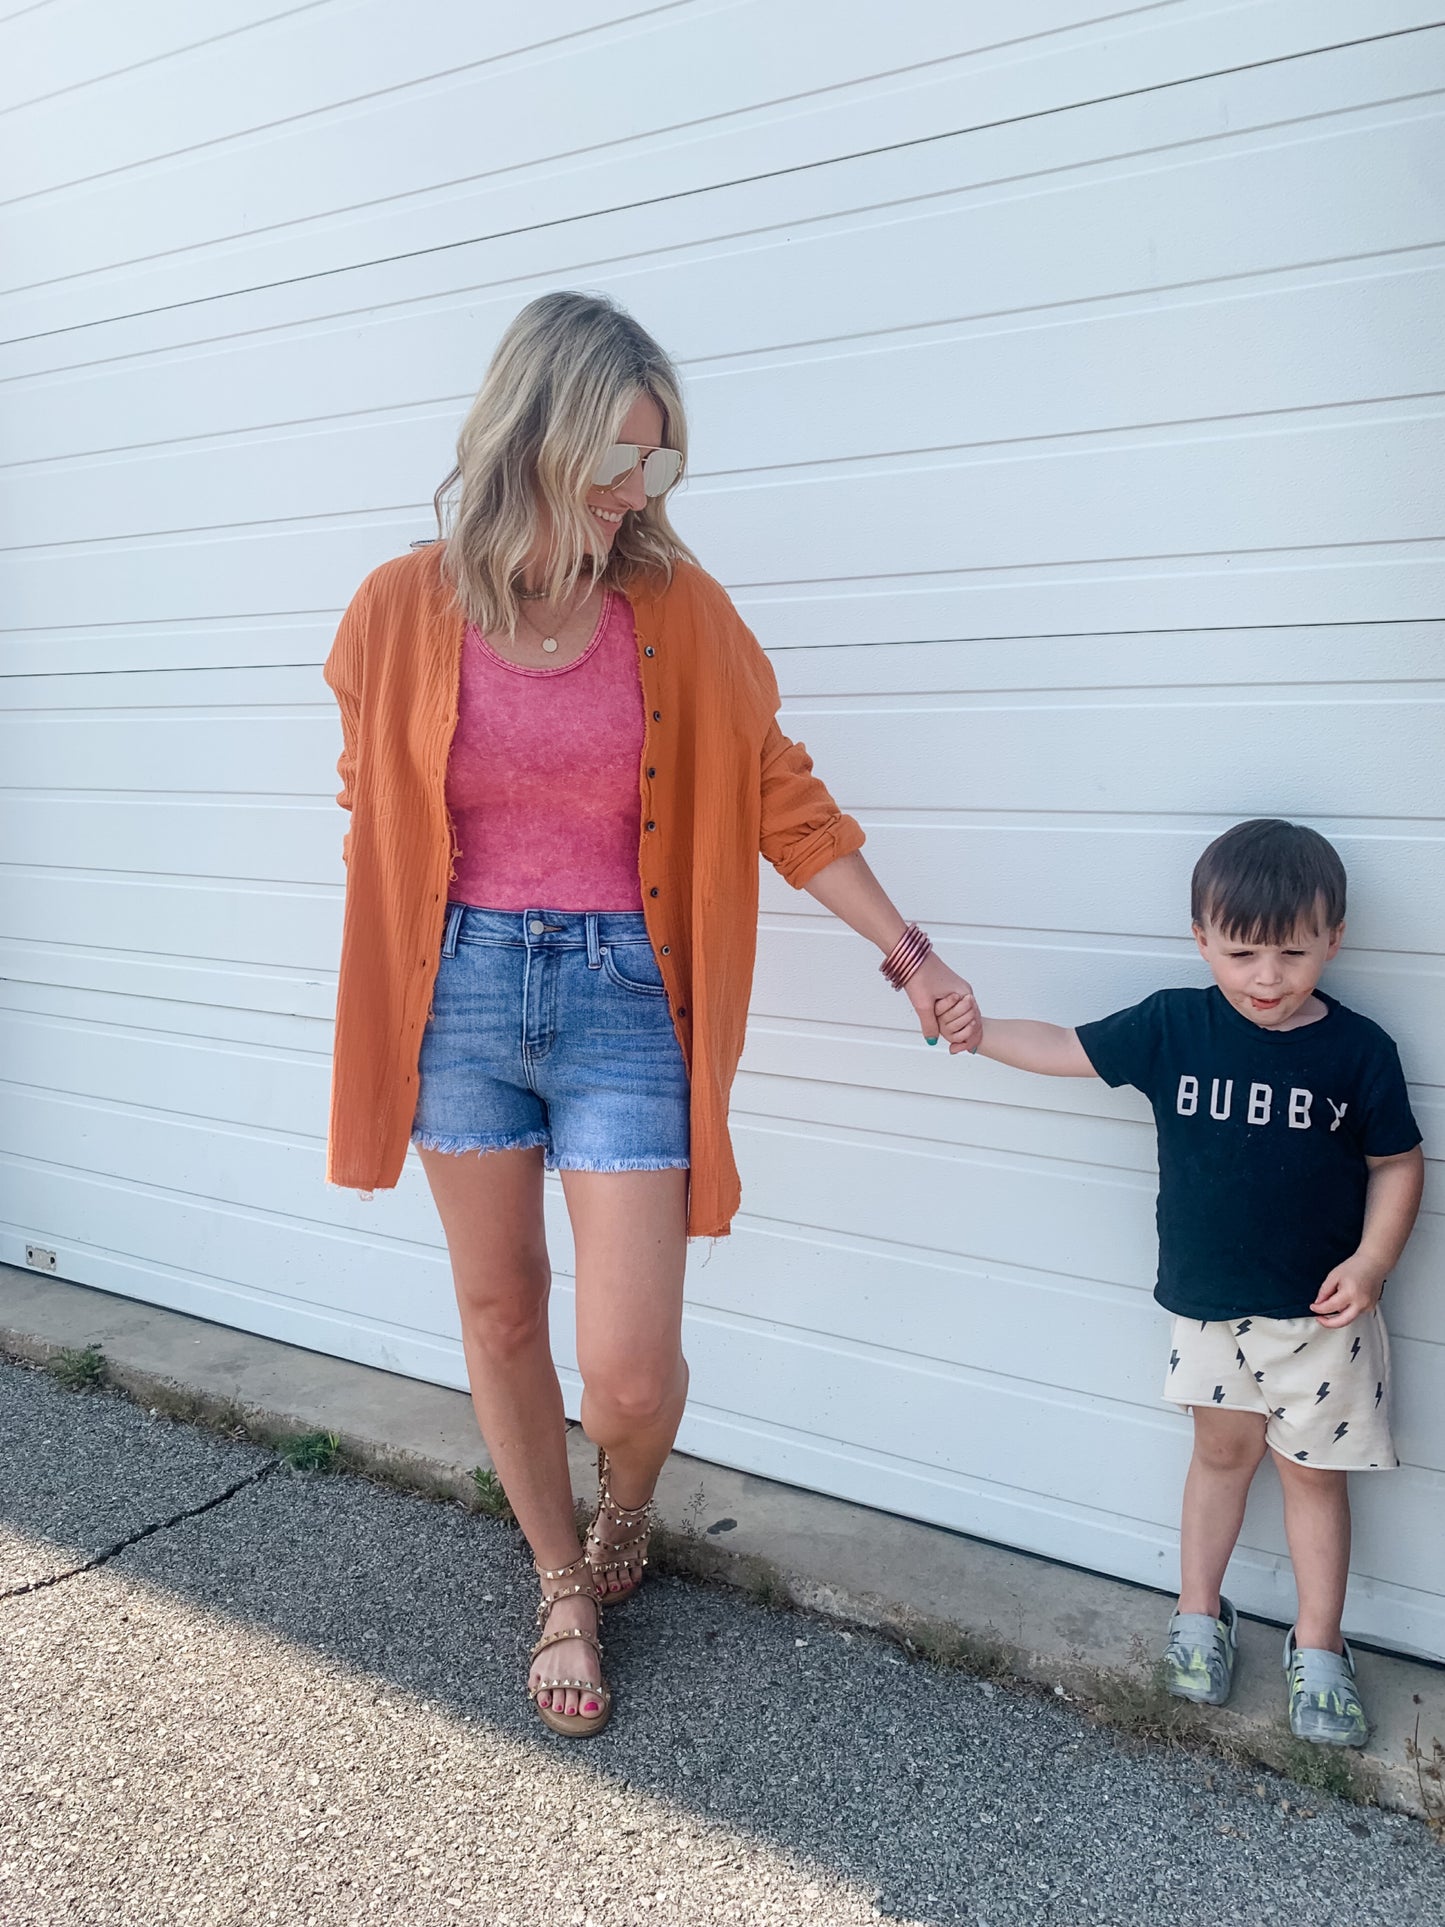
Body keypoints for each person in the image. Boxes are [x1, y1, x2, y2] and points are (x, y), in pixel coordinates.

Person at [323, 290, 982, 1738]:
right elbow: (370, 788)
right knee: (500, 1308)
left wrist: (909, 951)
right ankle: (561, 1577)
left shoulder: (677, 612)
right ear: (532, 436)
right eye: (618, 458)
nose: (639, 493)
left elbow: (775, 789)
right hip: (462, 995)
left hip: (627, 994)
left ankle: (624, 1502)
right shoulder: (397, 607)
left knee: (628, 1367)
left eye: (663, 466)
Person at [937, 819, 1423, 1746]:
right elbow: (1065, 1047)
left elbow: (1398, 1163)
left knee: (1313, 1480)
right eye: (1241, 952)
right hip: (1206, 1311)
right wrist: (980, 1030)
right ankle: (1198, 1614)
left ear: (1334, 938)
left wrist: (1371, 1262)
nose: (1266, 977)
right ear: (1201, 939)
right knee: (1219, 1458)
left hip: (1322, 1321)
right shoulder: (1174, 1024)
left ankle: (1318, 1645)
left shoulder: (1358, 1051)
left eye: (1292, 951)